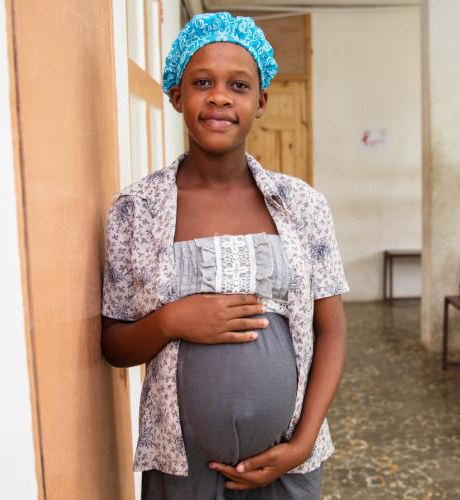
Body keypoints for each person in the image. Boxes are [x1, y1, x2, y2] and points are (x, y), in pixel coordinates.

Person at [102, 11, 349, 500]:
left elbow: (332, 330)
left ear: (260, 101)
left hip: (288, 466)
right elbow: (113, 344)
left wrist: (300, 445)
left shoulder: (301, 205)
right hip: (181, 470)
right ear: (176, 95)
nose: (219, 95)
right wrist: (170, 321)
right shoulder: (136, 210)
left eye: (238, 84)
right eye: (202, 82)